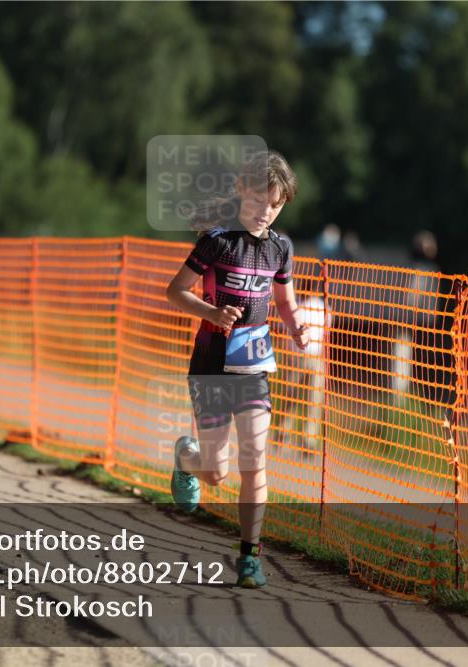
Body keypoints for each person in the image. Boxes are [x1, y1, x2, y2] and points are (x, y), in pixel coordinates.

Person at [166, 150, 309, 588]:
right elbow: (176, 291)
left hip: (254, 367)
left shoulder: (280, 248)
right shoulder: (217, 241)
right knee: (215, 472)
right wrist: (211, 313)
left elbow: (284, 302)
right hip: (210, 364)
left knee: (255, 460)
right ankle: (185, 459)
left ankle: (250, 557)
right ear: (241, 190)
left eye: (276, 205)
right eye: (259, 200)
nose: (266, 211)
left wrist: (297, 326)